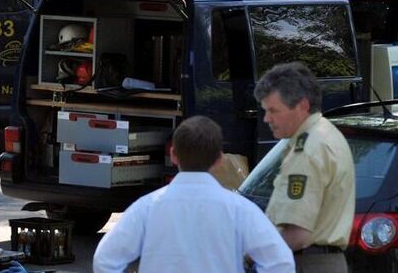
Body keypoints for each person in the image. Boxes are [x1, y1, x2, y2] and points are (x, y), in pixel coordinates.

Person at [92, 116, 294, 273]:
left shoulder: (146, 208)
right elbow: (280, 262)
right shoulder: (240, 209)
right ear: (219, 159)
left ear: (173, 155)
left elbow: (105, 259)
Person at [254, 62, 355, 273]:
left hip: (305, 263)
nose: (266, 119)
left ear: (302, 105)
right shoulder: (326, 134)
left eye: (273, 110)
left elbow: (297, 234)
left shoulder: (308, 150)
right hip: (321, 261)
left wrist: (250, 255)